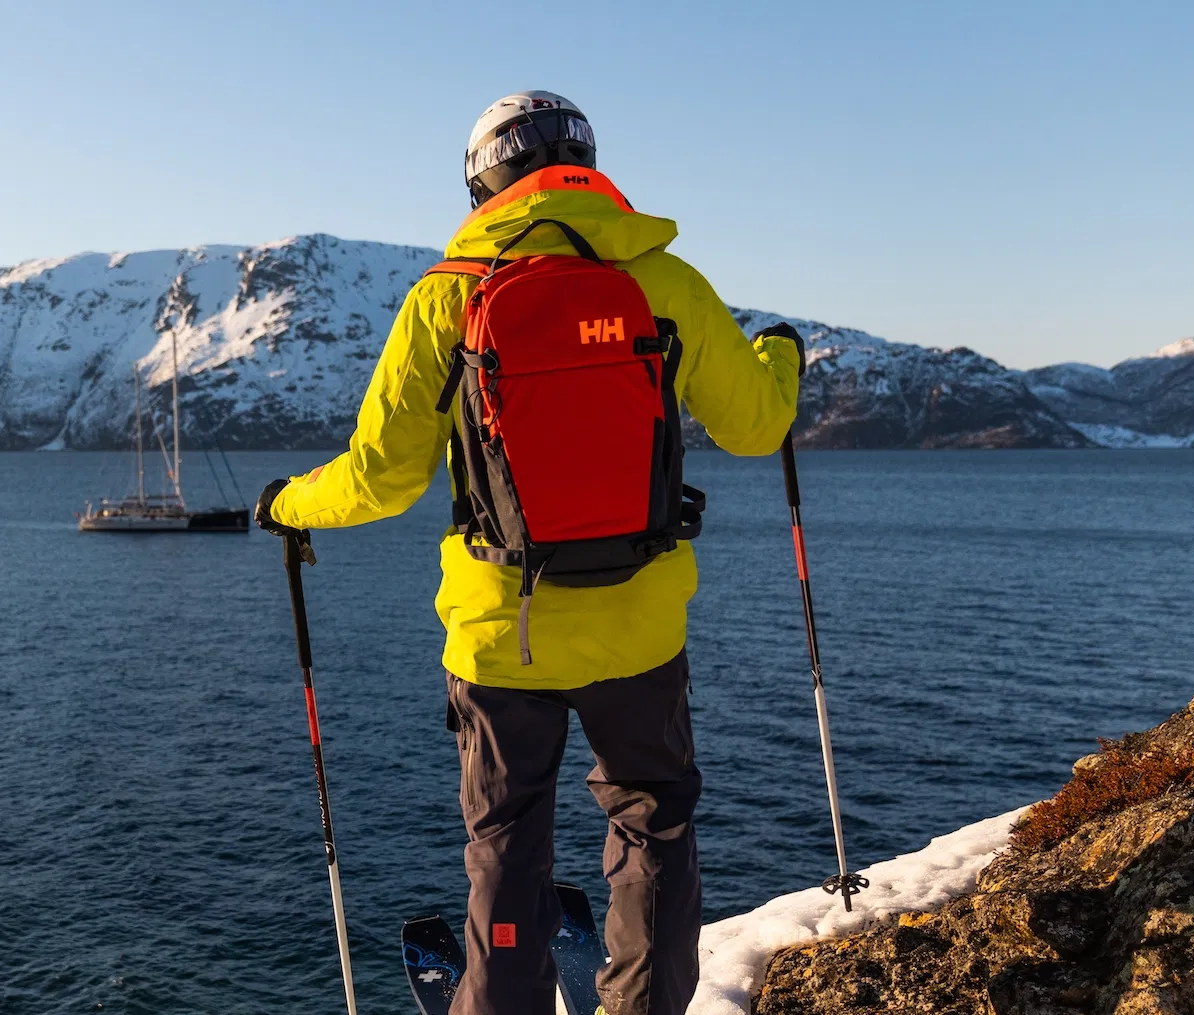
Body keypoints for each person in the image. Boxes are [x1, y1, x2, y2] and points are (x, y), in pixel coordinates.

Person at [254, 91, 802, 1015]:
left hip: (499, 633)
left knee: (506, 841)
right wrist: (780, 355)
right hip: (638, 625)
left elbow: (382, 479)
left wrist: (287, 503)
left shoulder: (446, 297)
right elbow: (756, 426)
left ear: (482, 183)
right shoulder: (662, 282)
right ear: (586, 164)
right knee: (653, 827)